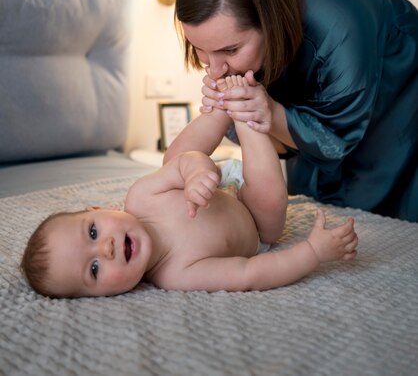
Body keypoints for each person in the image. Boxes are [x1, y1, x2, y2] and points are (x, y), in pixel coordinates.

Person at [20, 75, 357, 299]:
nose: (106, 249)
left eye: (92, 232)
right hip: (255, 221)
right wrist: (312, 253)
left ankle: (224, 103)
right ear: (101, 297)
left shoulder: (141, 196)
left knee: (174, 158)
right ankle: (248, 113)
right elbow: (249, 273)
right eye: (94, 270)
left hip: (220, 181)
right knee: (269, 201)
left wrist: (195, 172)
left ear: (99, 210)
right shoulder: (177, 275)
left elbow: (184, 164)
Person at [172, 0, 418, 222]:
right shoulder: (244, 16)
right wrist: (234, 113)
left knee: (380, 192)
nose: (215, 70)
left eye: (229, 50)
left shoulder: (339, 33)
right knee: (310, 193)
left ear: (269, 23)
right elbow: (272, 142)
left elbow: (333, 142)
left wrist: (272, 113)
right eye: (201, 49)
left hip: (398, 81)